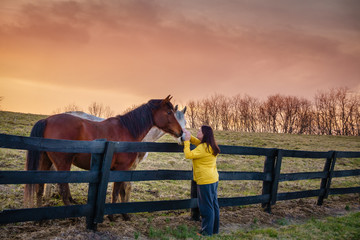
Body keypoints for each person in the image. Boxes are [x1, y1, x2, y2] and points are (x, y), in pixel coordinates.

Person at [183, 125, 220, 236]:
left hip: (205, 181)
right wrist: (188, 135)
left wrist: (186, 142)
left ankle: (206, 232)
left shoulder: (202, 148)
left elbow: (188, 154)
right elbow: (197, 142)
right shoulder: (210, 146)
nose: (197, 132)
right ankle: (214, 230)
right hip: (213, 179)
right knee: (213, 205)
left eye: (199, 131)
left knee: (205, 207)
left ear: (204, 135)